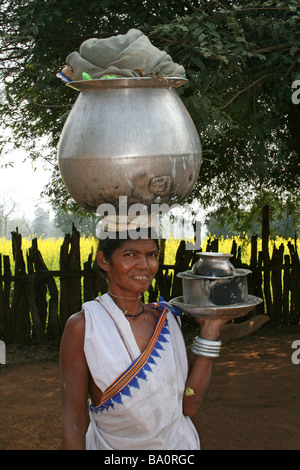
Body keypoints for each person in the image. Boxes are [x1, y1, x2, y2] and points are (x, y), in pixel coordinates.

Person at [60, 231, 227, 450]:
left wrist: (210, 331)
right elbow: (74, 420)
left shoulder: (166, 322)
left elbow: (189, 405)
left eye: (151, 255)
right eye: (130, 254)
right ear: (104, 261)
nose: (144, 265)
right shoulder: (84, 327)